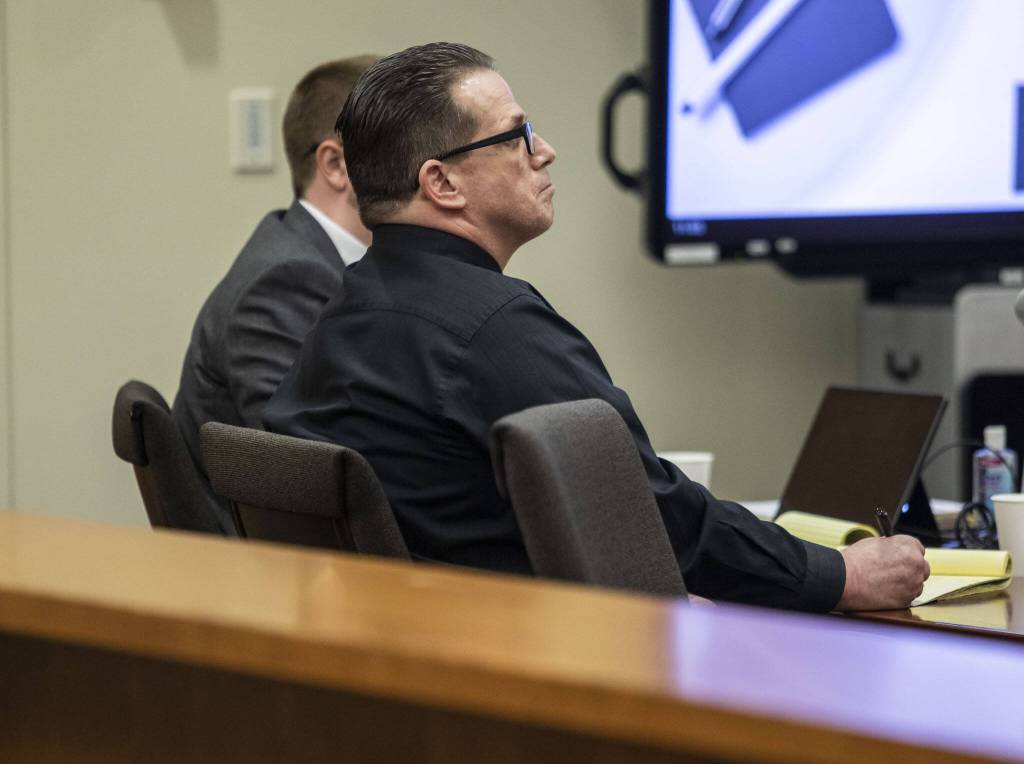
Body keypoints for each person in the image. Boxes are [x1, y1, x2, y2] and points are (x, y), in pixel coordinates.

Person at [263, 43, 928, 611]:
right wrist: (841, 574)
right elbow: (644, 517)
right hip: (536, 690)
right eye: (517, 136)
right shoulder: (490, 329)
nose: (545, 152)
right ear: (442, 184)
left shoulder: (344, 315)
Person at [172, 55, 376, 534]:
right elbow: (301, 472)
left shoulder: (307, 254)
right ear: (335, 164)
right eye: (400, 146)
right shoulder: (287, 278)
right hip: (265, 576)